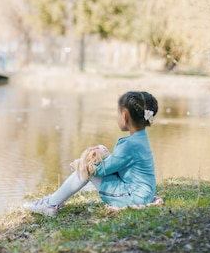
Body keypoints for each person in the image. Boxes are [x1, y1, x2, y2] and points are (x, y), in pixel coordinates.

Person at [23, 91, 160, 216]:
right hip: (143, 194)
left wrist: (81, 164)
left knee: (88, 167)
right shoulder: (140, 138)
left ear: (124, 116)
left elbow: (101, 170)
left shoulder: (129, 146)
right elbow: (116, 163)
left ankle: (51, 204)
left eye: (118, 113)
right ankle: (54, 199)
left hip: (130, 196)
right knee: (99, 151)